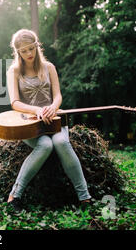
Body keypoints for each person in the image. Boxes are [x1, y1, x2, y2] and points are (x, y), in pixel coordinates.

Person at [6, 28, 92, 212]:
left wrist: (52, 107)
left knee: (61, 142)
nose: (29, 53)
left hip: (54, 118)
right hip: (30, 123)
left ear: (37, 46)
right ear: (18, 52)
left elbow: (58, 96)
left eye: (31, 48)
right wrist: (37, 110)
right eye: (23, 51)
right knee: (45, 145)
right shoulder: (14, 71)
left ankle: (84, 198)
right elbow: (14, 102)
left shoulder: (49, 67)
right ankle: (14, 195)